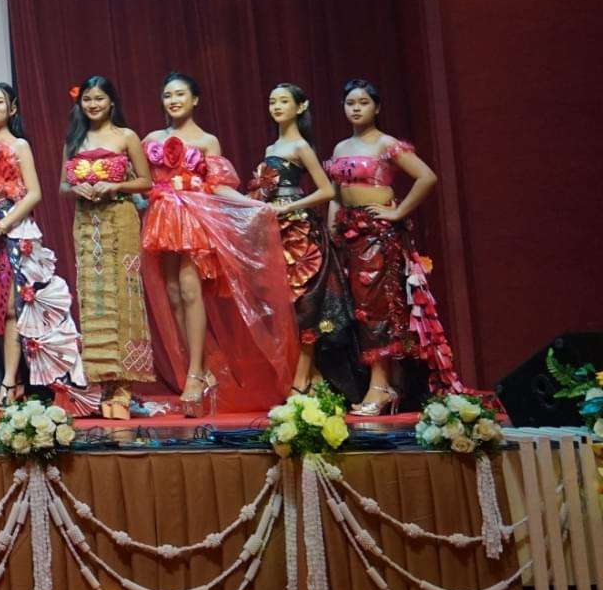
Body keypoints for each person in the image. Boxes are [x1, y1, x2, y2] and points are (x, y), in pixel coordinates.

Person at [139, 73, 297, 415]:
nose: (173, 101)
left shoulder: (207, 141)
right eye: (168, 95)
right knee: (173, 294)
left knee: (190, 289)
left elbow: (219, 185)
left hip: (195, 218)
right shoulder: (151, 139)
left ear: (195, 99)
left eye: (180, 94)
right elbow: (142, 182)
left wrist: (252, 205)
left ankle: (196, 373)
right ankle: (200, 368)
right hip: (163, 219)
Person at [323, 79, 460, 415]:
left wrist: (397, 212)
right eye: (350, 103)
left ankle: (382, 386)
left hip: (377, 236)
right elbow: (336, 193)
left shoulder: (387, 144)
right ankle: (384, 382)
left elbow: (427, 177)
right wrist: (331, 226)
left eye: (363, 102)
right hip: (348, 236)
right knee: (356, 310)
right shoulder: (340, 148)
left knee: (376, 309)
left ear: (377, 108)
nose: (356, 108)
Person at [0, 83, 90, 415]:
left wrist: (1, 227)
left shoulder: (19, 145)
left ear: (13, 109)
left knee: (12, 308)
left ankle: (11, 381)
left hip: (10, 229)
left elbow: (34, 193)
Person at [61, 75, 154, 420]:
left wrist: (113, 186)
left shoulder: (126, 136)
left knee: (124, 296)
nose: (93, 104)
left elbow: (146, 181)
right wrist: (77, 189)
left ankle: (124, 386)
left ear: (111, 101)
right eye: (87, 99)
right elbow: (62, 184)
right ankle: (102, 382)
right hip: (87, 224)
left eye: (99, 98)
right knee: (94, 299)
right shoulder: (74, 137)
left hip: (120, 219)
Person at [249, 83, 350, 393]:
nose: (277, 107)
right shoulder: (270, 149)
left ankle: (301, 378)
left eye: (283, 101)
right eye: (272, 101)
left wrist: (289, 206)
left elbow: (327, 190)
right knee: (284, 305)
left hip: (299, 231)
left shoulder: (301, 146)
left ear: (301, 107)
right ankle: (312, 376)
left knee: (305, 302)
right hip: (274, 229)